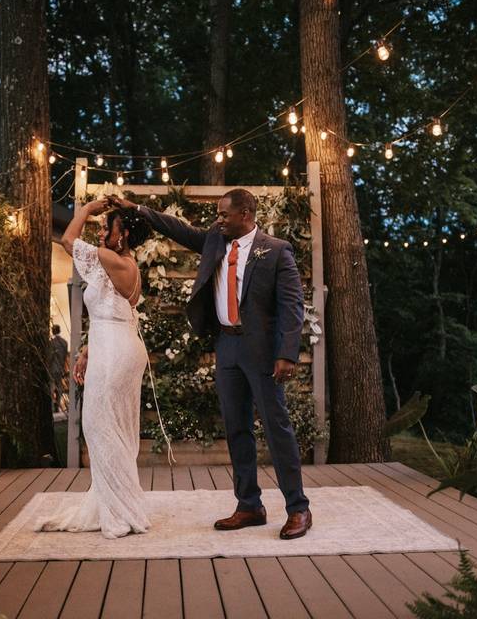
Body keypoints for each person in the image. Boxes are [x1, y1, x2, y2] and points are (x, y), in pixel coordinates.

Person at [108, 189, 312, 540]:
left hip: (262, 351)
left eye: (224, 215)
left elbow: (292, 307)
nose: (218, 220)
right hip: (227, 346)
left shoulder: (277, 251)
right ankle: (249, 505)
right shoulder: (216, 242)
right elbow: (177, 228)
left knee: (277, 428)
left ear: (246, 214)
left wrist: (287, 354)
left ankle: (298, 508)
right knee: (236, 428)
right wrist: (137, 209)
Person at [32, 198, 153, 539]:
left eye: (106, 227)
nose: (100, 232)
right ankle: (117, 502)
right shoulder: (119, 263)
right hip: (113, 344)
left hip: (116, 351)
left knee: (99, 424)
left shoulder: (114, 260)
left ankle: (121, 510)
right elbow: (112, 311)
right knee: (112, 427)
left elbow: (68, 241)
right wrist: (87, 349)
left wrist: (85, 210)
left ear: (124, 234)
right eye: (100, 226)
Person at [49, 324, 69, 413]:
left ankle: (53, 405)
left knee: (52, 386)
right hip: (60, 367)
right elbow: (65, 356)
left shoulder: (51, 343)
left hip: (52, 367)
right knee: (59, 386)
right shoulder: (64, 342)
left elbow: (50, 356)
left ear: (53, 331)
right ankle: (57, 404)